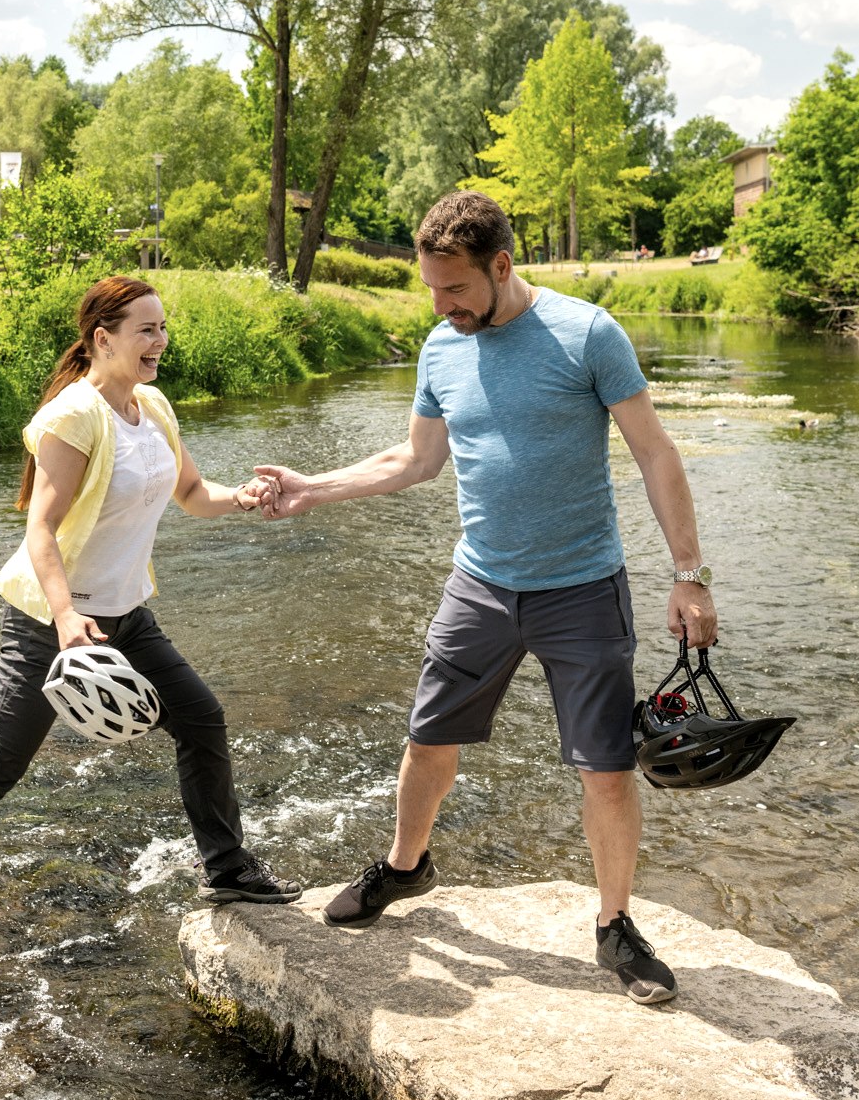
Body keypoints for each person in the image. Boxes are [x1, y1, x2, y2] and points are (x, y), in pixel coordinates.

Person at [251, 191, 718, 1005]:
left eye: (456, 288)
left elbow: (654, 450)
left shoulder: (587, 334)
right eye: (431, 289)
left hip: (582, 589)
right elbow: (415, 460)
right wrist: (310, 488)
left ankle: (615, 924)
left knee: (607, 768)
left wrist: (689, 572)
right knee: (428, 739)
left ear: (502, 265)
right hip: (480, 586)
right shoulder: (442, 346)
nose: (441, 305)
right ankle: (406, 866)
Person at [0, 274, 305, 973]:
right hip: (48, 623)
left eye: (163, 328)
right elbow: (40, 528)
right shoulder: (74, 415)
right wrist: (65, 617)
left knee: (201, 718)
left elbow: (193, 492)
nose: (160, 341)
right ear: (103, 339)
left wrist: (244, 496)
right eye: (146, 330)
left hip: (124, 617)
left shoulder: (152, 405)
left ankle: (226, 866)